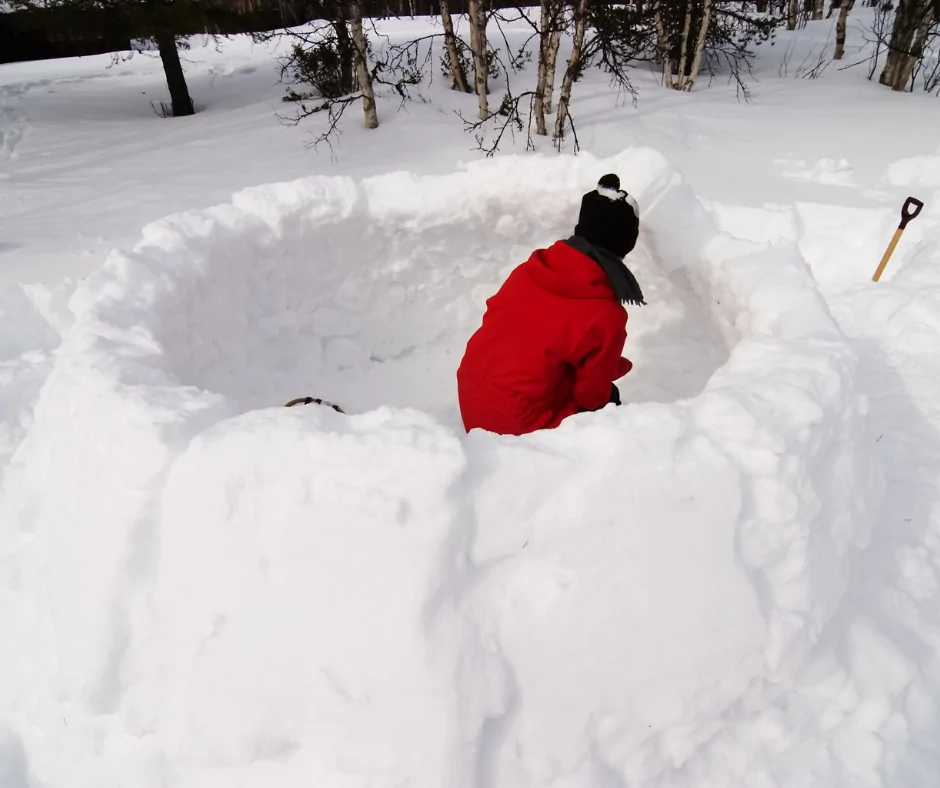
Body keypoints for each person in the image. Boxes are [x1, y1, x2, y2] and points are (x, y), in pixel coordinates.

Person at [456, 173, 645, 436]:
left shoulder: (530, 270)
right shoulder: (605, 313)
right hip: (515, 424)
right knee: (608, 400)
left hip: (472, 394)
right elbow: (591, 396)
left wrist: (609, 363)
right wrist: (610, 369)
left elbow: (544, 340)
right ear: (624, 246)